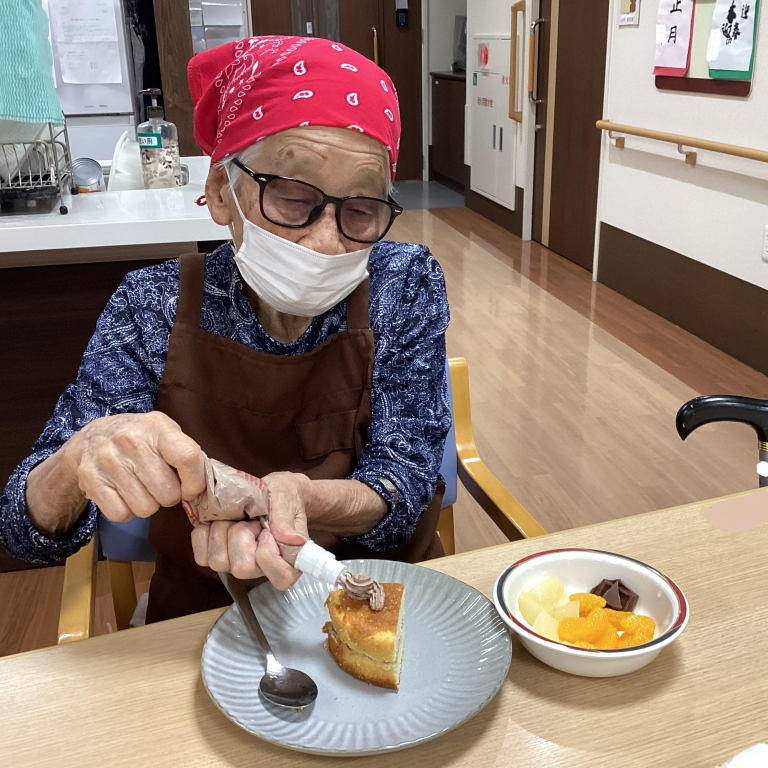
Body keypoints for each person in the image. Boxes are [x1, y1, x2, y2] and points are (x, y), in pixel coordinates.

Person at [0, 36, 450, 622]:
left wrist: (299, 500)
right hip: (211, 608)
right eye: (292, 196)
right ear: (220, 192)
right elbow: (25, 529)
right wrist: (78, 459)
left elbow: (405, 479)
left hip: (377, 594)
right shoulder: (152, 304)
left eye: (362, 208)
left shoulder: (403, 283)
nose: (326, 240)